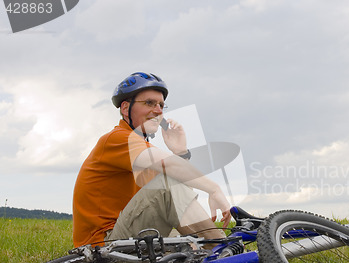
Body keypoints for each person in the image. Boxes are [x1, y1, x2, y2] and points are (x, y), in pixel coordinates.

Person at [72, 72, 230, 248]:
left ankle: (220, 250)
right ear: (125, 108)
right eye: (149, 103)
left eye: (161, 105)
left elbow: (179, 197)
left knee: (190, 243)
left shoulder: (142, 151)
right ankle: (222, 249)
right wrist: (214, 189)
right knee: (166, 184)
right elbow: (169, 172)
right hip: (103, 246)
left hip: (128, 237)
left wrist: (180, 152)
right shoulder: (116, 138)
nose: (158, 111)